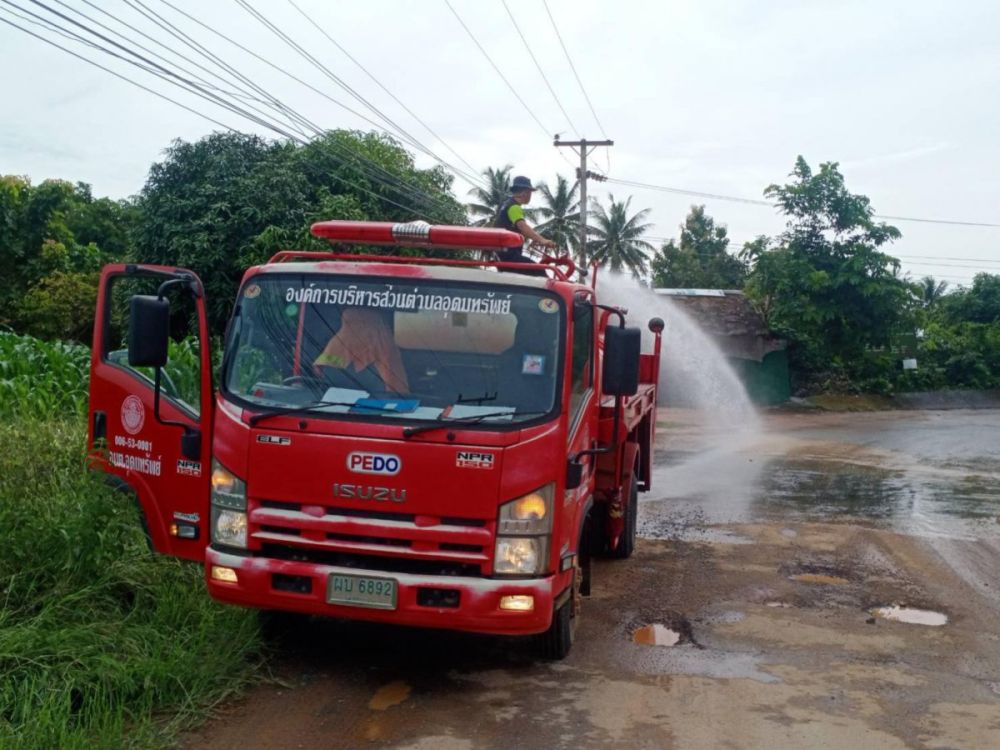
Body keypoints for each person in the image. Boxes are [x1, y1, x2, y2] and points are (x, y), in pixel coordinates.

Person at [493, 175, 556, 266]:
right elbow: (522, 226)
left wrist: (534, 239)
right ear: (525, 193)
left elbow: (513, 229)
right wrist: (542, 240)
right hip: (509, 256)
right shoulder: (514, 207)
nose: (530, 196)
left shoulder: (505, 205)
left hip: (502, 254)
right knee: (540, 272)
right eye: (530, 193)